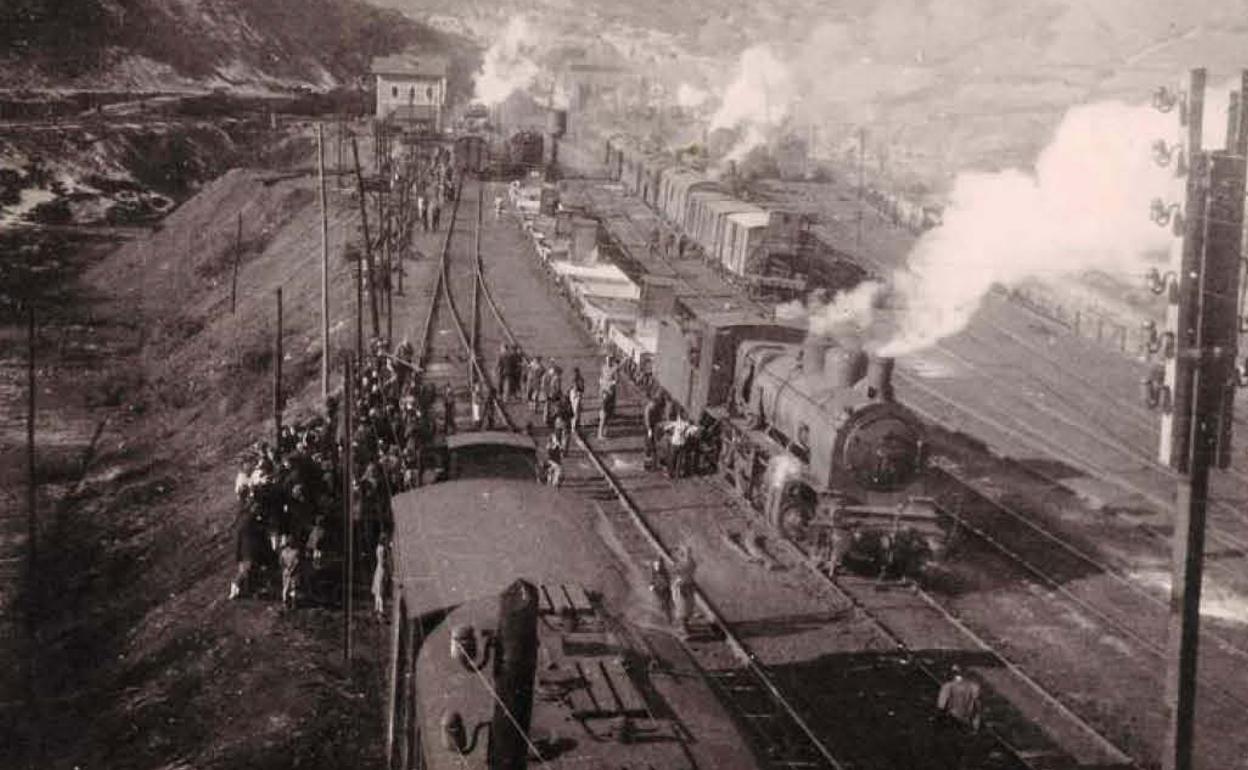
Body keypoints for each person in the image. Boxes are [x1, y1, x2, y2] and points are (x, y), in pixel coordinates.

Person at [935, 665, 982, 770]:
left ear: (953, 674)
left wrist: (937, 725)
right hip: (967, 724)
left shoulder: (948, 687)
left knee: (949, 755)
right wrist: (976, 726)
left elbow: (941, 706)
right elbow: (977, 709)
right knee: (964, 754)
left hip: (951, 723)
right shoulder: (975, 687)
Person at [670, 546, 697, 638]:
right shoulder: (691, 563)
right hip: (688, 586)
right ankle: (686, 627)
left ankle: (685, 631)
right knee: (687, 607)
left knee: (682, 607)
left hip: (681, 587)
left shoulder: (683, 565)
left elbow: (675, 571)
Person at [279, 534, 301, 610]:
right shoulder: (296, 552)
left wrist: (285, 569)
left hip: (286, 571)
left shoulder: (283, 552)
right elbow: (296, 563)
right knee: (293, 588)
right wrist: (292, 570)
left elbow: (281, 562)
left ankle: (286, 603)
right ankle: (292, 603)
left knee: (285, 587)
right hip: (293, 572)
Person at [648, 559, 672, 624]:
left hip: (665, 589)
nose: (657, 567)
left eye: (658, 565)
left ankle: (668, 616)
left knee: (666, 602)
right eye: (655, 566)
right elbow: (653, 581)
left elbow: (667, 581)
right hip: (659, 590)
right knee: (663, 601)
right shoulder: (654, 574)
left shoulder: (663, 572)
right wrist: (651, 585)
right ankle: (666, 614)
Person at [372, 537, 389, 618]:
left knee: (378, 588)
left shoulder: (379, 548)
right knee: (380, 589)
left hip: (378, 568)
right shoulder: (382, 549)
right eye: (385, 540)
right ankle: (380, 609)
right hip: (381, 569)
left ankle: (377, 608)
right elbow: (382, 561)